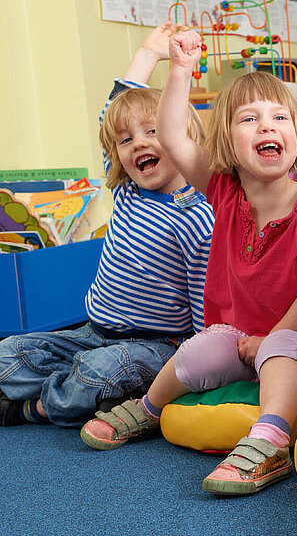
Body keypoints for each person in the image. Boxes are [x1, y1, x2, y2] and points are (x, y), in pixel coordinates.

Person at [79, 29, 297, 497]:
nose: (267, 127)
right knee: (198, 350)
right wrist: (180, 70)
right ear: (226, 141)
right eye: (250, 119)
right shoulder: (224, 191)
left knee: (280, 349)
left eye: (279, 117)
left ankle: (270, 442)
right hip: (241, 337)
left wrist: (272, 337)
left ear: (296, 133)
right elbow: (170, 134)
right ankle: (148, 408)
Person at [0, 23, 213, 428]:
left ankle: (32, 409)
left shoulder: (197, 216)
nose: (139, 144)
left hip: (155, 344)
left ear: (180, 137)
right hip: (92, 332)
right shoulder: (127, 190)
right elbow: (110, 116)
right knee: (7, 353)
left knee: (96, 374)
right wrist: (148, 54)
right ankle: (74, 388)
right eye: (126, 141)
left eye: (153, 132)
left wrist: (200, 365)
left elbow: (205, 301)